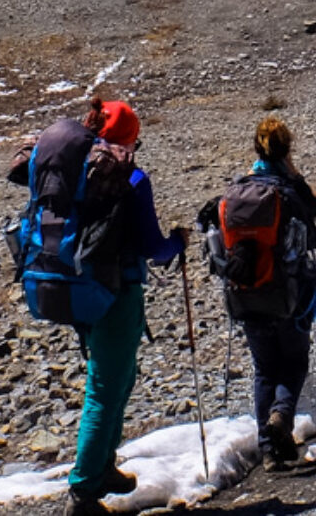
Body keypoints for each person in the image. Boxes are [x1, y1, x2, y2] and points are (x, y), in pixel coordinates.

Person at [65, 98, 188, 516]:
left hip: (78, 289)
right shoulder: (132, 178)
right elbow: (155, 248)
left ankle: (103, 468)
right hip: (117, 292)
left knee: (114, 380)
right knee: (105, 388)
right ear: (129, 137)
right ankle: (83, 490)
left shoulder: (76, 169)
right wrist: (178, 242)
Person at [200, 115, 316, 468]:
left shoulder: (237, 192)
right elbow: (313, 218)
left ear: (256, 148)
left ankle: (270, 451)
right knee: (294, 362)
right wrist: (294, 174)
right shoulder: (289, 190)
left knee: (264, 368)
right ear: (287, 149)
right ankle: (281, 417)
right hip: (288, 291)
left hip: (245, 292)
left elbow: (211, 230)